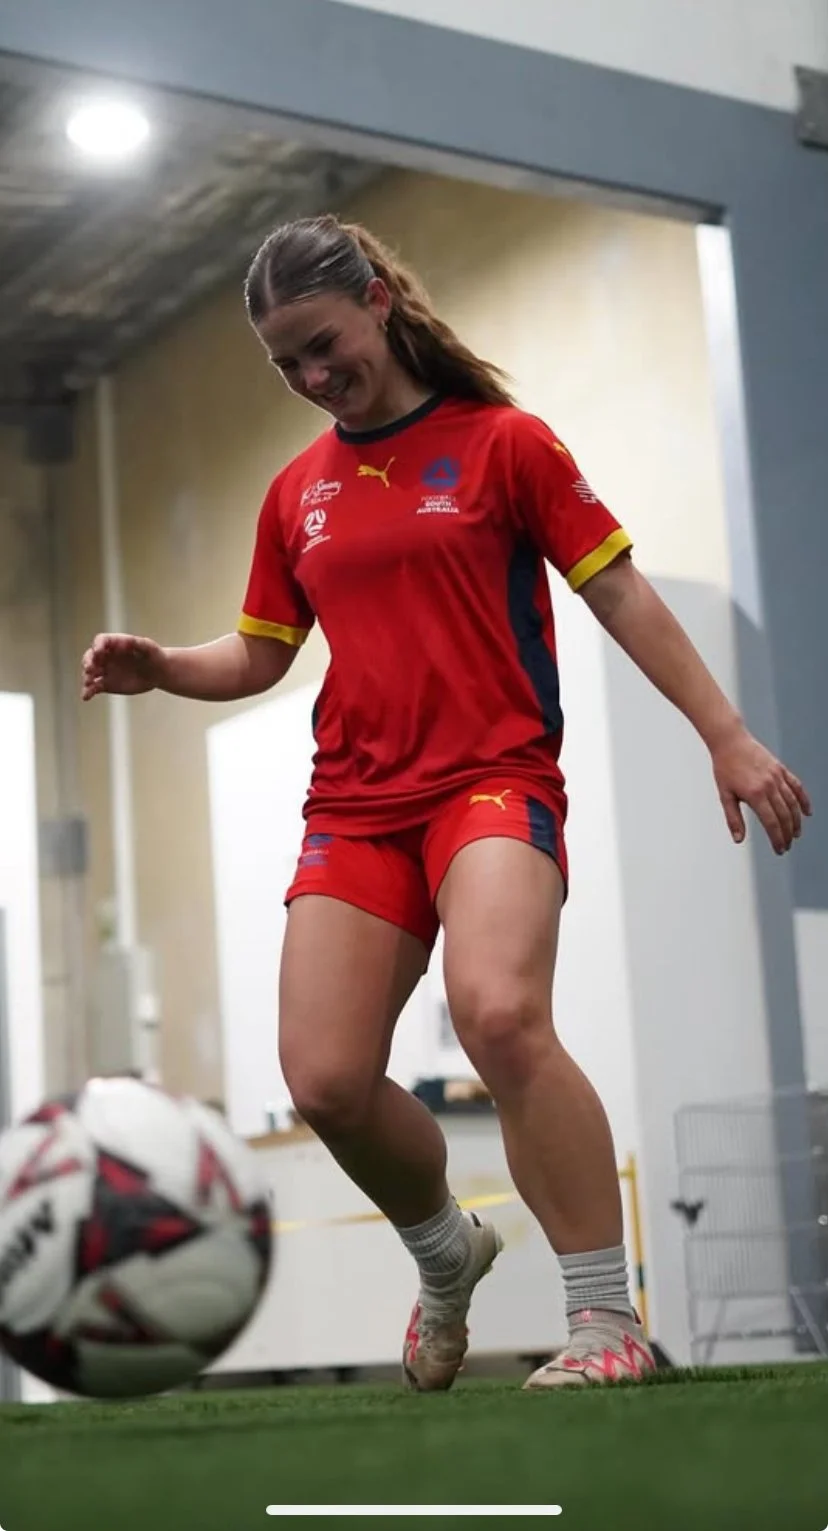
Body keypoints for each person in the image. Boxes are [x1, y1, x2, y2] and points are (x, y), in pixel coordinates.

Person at [82, 215, 811, 1390]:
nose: (315, 379)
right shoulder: (295, 496)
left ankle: (601, 1321)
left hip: (494, 780)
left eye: (325, 345)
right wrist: (163, 665)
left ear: (377, 299)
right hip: (356, 808)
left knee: (501, 1013)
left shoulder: (504, 445)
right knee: (323, 1079)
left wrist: (725, 737)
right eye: (287, 366)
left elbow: (619, 596)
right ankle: (445, 1250)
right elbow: (263, 655)